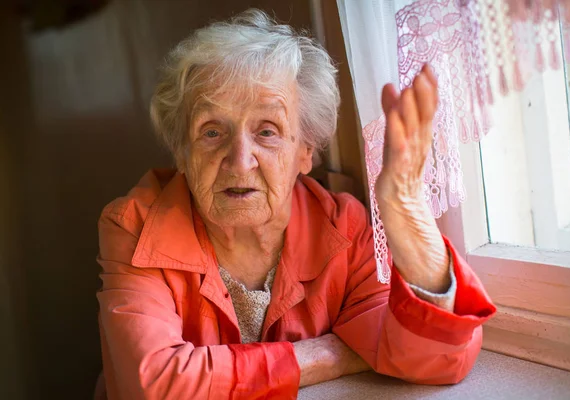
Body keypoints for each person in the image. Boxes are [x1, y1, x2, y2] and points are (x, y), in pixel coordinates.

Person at [96, 9, 496, 399]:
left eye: (267, 131)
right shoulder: (135, 227)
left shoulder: (344, 230)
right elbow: (153, 385)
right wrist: (326, 352)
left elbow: (436, 359)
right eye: (212, 131)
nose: (240, 160)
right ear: (182, 153)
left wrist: (411, 222)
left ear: (306, 151)